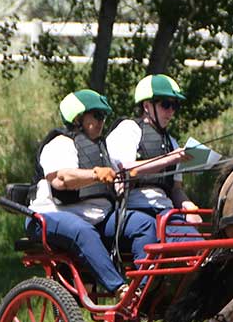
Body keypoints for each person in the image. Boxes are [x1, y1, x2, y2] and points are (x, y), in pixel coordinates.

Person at [29, 89, 151, 301]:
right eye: (97, 115)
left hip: (99, 218)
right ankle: (121, 290)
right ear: (77, 118)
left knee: (145, 224)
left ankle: (142, 290)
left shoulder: (101, 149)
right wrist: (95, 174)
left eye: (104, 116)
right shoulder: (60, 144)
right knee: (82, 231)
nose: (102, 121)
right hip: (50, 216)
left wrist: (123, 183)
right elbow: (61, 179)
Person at [106, 73, 203, 242]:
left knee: (196, 246)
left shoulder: (171, 142)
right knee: (148, 232)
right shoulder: (129, 129)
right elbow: (127, 168)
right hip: (132, 209)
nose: (171, 111)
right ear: (147, 106)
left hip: (166, 211)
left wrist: (188, 207)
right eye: (166, 104)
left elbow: (176, 189)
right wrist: (171, 158)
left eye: (175, 106)